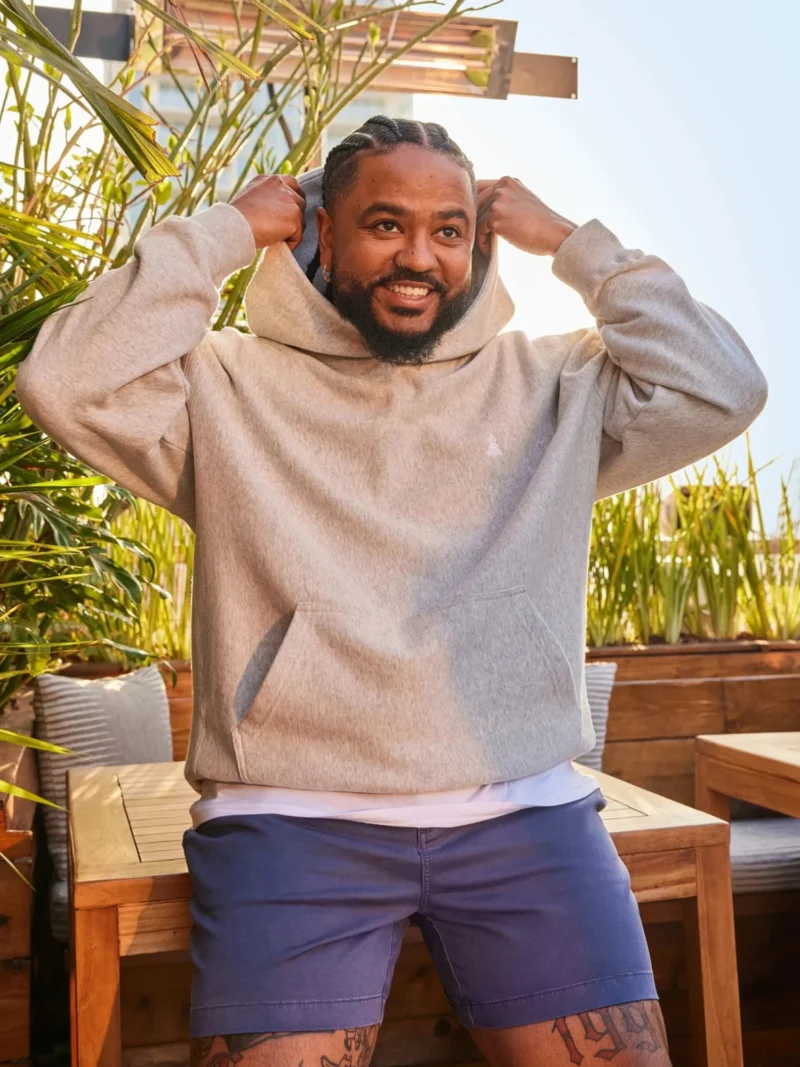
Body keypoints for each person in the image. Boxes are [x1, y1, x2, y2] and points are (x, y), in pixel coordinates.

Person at [15, 116, 768, 1067]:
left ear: (479, 241)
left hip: (526, 816)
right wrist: (224, 231)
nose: (419, 255)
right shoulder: (222, 385)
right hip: (291, 818)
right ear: (322, 233)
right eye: (386, 224)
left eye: (448, 229)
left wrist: (573, 244)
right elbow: (64, 380)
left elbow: (724, 386)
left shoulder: (557, 384)